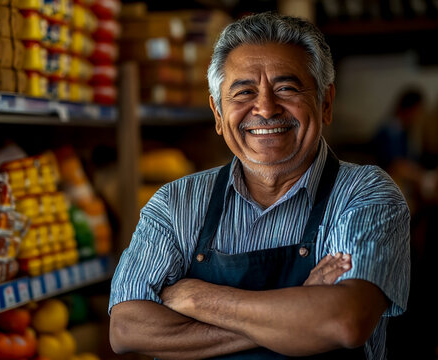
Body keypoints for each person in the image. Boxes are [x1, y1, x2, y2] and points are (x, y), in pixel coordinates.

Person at [108, 12, 410, 360]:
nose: (265, 108)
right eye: (244, 92)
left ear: (326, 103)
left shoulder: (365, 195)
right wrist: (298, 310)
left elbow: (344, 321)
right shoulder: (176, 203)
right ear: (218, 115)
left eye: (286, 88)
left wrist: (197, 298)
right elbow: (127, 329)